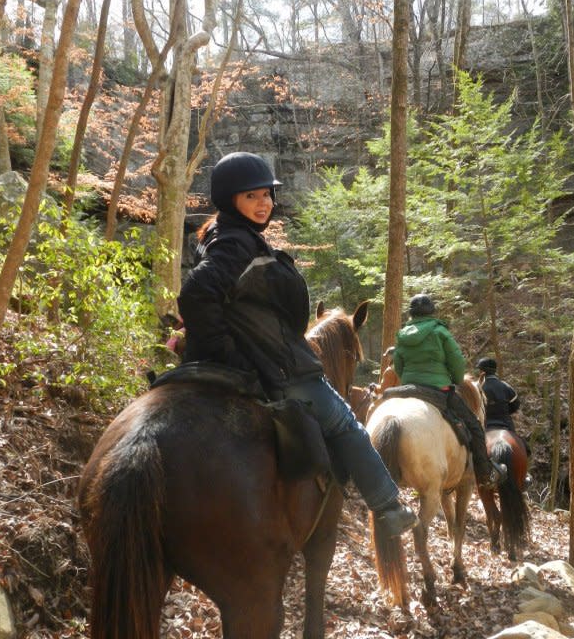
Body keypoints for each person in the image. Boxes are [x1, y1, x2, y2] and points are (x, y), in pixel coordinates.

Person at [177, 151, 418, 537]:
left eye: (267, 194)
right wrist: (226, 351)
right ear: (230, 200)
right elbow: (195, 294)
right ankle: (387, 506)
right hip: (277, 366)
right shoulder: (237, 244)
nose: (264, 204)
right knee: (345, 423)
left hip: (252, 353)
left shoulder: (222, 237)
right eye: (251, 196)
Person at [392, 294, 506, 489]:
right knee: (476, 428)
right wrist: (453, 380)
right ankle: (485, 474)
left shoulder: (402, 335)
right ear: (432, 312)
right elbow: (457, 363)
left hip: (408, 388)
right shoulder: (440, 332)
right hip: (438, 389)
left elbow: (398, 366)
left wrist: (409, 379)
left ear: (411, 314)